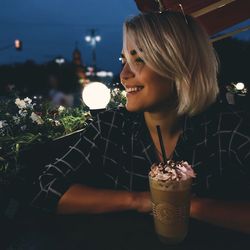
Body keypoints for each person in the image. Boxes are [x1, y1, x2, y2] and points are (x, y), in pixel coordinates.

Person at [31, 11, 250, 234]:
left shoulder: (226, 128)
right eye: (124, 60)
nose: (124, 75)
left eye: (139, 59)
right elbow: (46, 188)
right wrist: (139, 200)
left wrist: (189, 206)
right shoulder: (112, 126)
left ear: (180, 64)